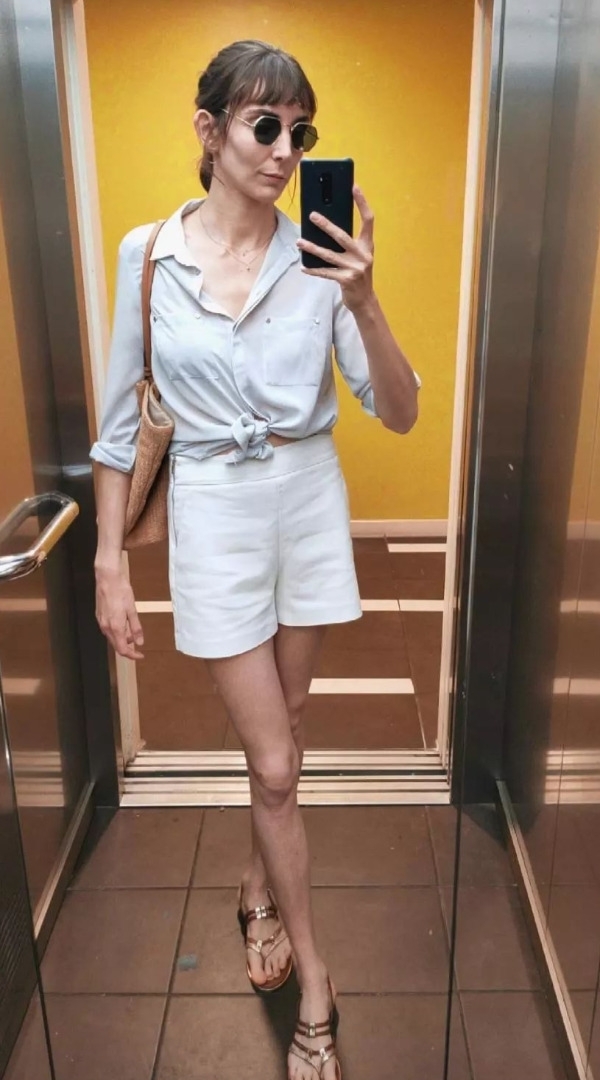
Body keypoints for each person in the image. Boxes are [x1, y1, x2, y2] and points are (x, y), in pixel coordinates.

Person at [90, 38, 420, 1080]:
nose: (284, 151)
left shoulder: (320, 259)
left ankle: (254, 885)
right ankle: (315, 977)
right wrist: (108, 563)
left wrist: (364, 298)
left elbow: (400, 412)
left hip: (307, 498)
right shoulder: (150, 255)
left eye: (300, 132)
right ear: (209, 129)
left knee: (291, 727)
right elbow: (119, 427)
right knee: (274, 763)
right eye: (263, 125)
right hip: (215, 508)